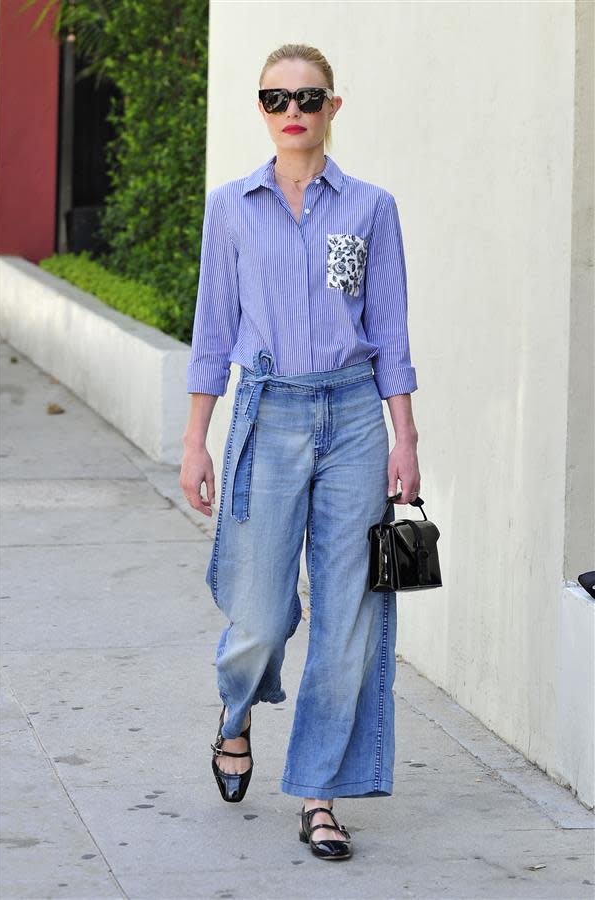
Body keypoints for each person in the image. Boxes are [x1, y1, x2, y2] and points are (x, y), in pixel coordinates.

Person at [179, 42, 421, 861]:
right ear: (261, 109)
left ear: (333, 108)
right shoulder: (231, 208)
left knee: (348, 618)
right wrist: (195, 441)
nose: (294, 113)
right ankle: (236, 710)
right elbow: (213, 333)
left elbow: (389, 331)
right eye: (277, 99)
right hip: (268, 413)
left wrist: (405, 436)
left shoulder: (370, 209)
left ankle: (320, 794)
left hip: (355, 419)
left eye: (309, 98)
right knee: (259, 615)